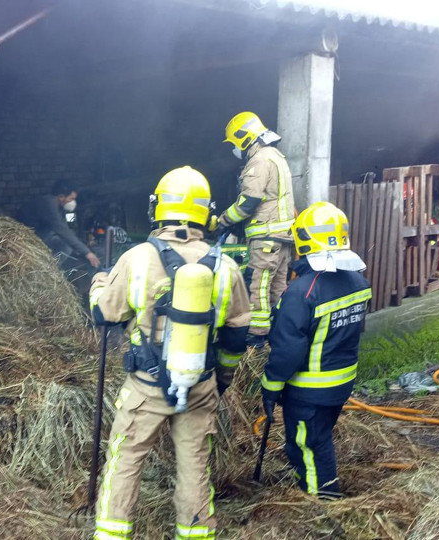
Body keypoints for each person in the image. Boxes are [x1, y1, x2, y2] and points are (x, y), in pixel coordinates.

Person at [89, 166, 250, 540]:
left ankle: (112, 534)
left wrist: (99, 284)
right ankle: (194, 533)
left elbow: (105, 314)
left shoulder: (137, 257)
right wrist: (220, 380)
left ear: (157, 208)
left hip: (145, 387)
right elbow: (237, 335)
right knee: (194, 464)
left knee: (126, 459)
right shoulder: (225, 266)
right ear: (205, 212)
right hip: (200, 384)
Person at [260, 202, 371, 498]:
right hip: (341, 383)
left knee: (307, 446)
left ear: (304, 240)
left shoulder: (302, 292)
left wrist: (270, 388)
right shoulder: (359, 282)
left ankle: (322, 500)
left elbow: (287, 352)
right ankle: (317, 483)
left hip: (309, 391)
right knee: (319, 438)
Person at [217, 112, 296, 348]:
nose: (234, 150)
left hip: (266, 237)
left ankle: (256, 340)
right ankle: (281, 333)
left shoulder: (259, 160)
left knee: (258, 286)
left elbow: (249, 201)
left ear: (243, 138)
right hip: (282, 237)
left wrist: (223, 221)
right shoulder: (276, 156)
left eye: (233, 143)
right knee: (278, 288)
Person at [18, 179, 100, 268]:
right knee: (65, 247)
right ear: (61, 197)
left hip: (41, 233)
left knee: (67, 242)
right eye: (71, 199)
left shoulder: (59, 205)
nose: (73, 202)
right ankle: (50, 270)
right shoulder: (48, 205)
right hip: (28, 237)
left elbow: (70, 227)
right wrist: (87, 252)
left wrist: (70, 212)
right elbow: (62, 230)